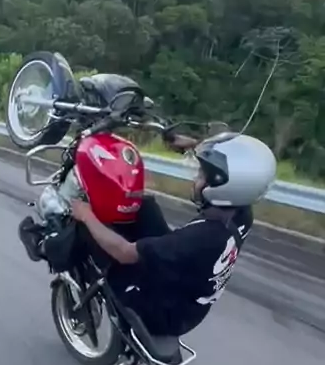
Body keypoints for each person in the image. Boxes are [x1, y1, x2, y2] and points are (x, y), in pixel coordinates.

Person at [69, 131, 277, 342]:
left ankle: (98, 296)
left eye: (201, 176)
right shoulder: (241, 213)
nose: (196, 179)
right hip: (188, 295)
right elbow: (235, 164)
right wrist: (193, 144)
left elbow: (125, 253)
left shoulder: (201, 236)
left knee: (100, 247)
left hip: (165, 314)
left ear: (221, 186)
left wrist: (86, 216)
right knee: (145, 205)